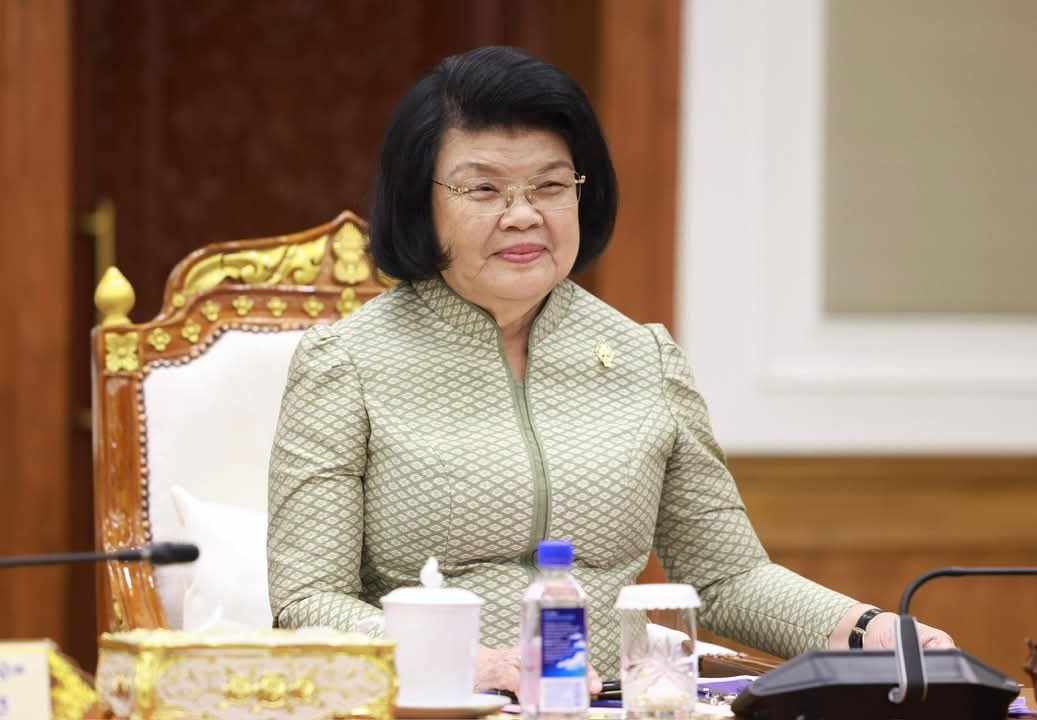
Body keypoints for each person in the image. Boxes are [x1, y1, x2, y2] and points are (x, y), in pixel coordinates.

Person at [266, 46, 952, 692]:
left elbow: (728, 579)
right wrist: (464, 664)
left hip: (612, 701)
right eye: (483, 189)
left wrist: (869, 629)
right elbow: (306, 602)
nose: (523, 215)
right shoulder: (347, 365)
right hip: (437, 701)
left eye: (550, 185)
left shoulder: (645, 358)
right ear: (421, 202)